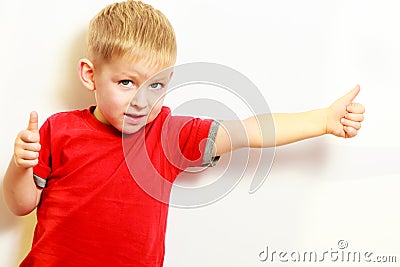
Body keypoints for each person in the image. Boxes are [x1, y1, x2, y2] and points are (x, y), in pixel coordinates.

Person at [2, 0, 365, 266]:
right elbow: (20, 205)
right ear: (89, 74)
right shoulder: (59, 129)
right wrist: (20, 165)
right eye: (126, 82)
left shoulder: (168, 135)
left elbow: (248, 131)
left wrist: (322, 120)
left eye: (156, 85)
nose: (142, 100)